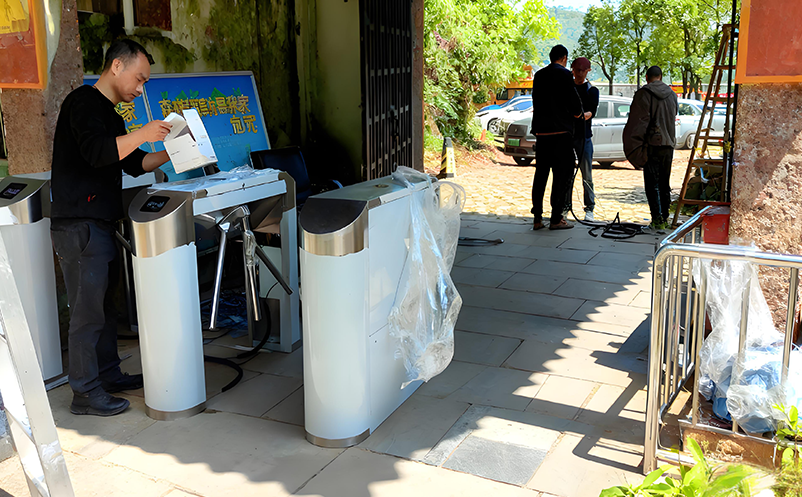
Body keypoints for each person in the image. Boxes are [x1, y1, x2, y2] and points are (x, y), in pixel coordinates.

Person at [50, 39, 173, 416]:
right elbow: (96, 152)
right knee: (87, 312)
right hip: (79, 224)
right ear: (117, 66)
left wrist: (174, 149)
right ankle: (85, 392)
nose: (141, 88)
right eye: (140, 78)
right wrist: (145, 132)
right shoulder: (82, 102)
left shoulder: (112, 115)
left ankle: (107, 373)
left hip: (101, 222)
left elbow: (135, 164)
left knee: (105, 306)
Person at [530, 45, 583, 230]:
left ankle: (537, 218)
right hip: (561, 133)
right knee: (562, 176)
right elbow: (574, 102)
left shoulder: (539, 75)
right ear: (564, 58)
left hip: (542, 133)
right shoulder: (565, 75)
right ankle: (556, 218)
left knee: (541, 175)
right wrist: (578, 114)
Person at [623, 65, 678, 229]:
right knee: (664, 183)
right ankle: (665, 218)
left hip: (652, 145)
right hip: (668, 144)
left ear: (647, 77)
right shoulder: (672, 95)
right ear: (661, 77)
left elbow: (638, 123)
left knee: (652, 184)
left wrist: (636, 147)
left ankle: (656, 219)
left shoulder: (644, 94)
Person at [564, 57, 599, 222]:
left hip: (584, 137)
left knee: (587, 175)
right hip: (567, 136)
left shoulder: (592, 90)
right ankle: (564, 206)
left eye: (582, 71)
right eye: (576, 70)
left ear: (587, 71)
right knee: (565, 174)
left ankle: (589, 208)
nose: (578, 74)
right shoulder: (567, 88)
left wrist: (581, 115)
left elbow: (591, 112)